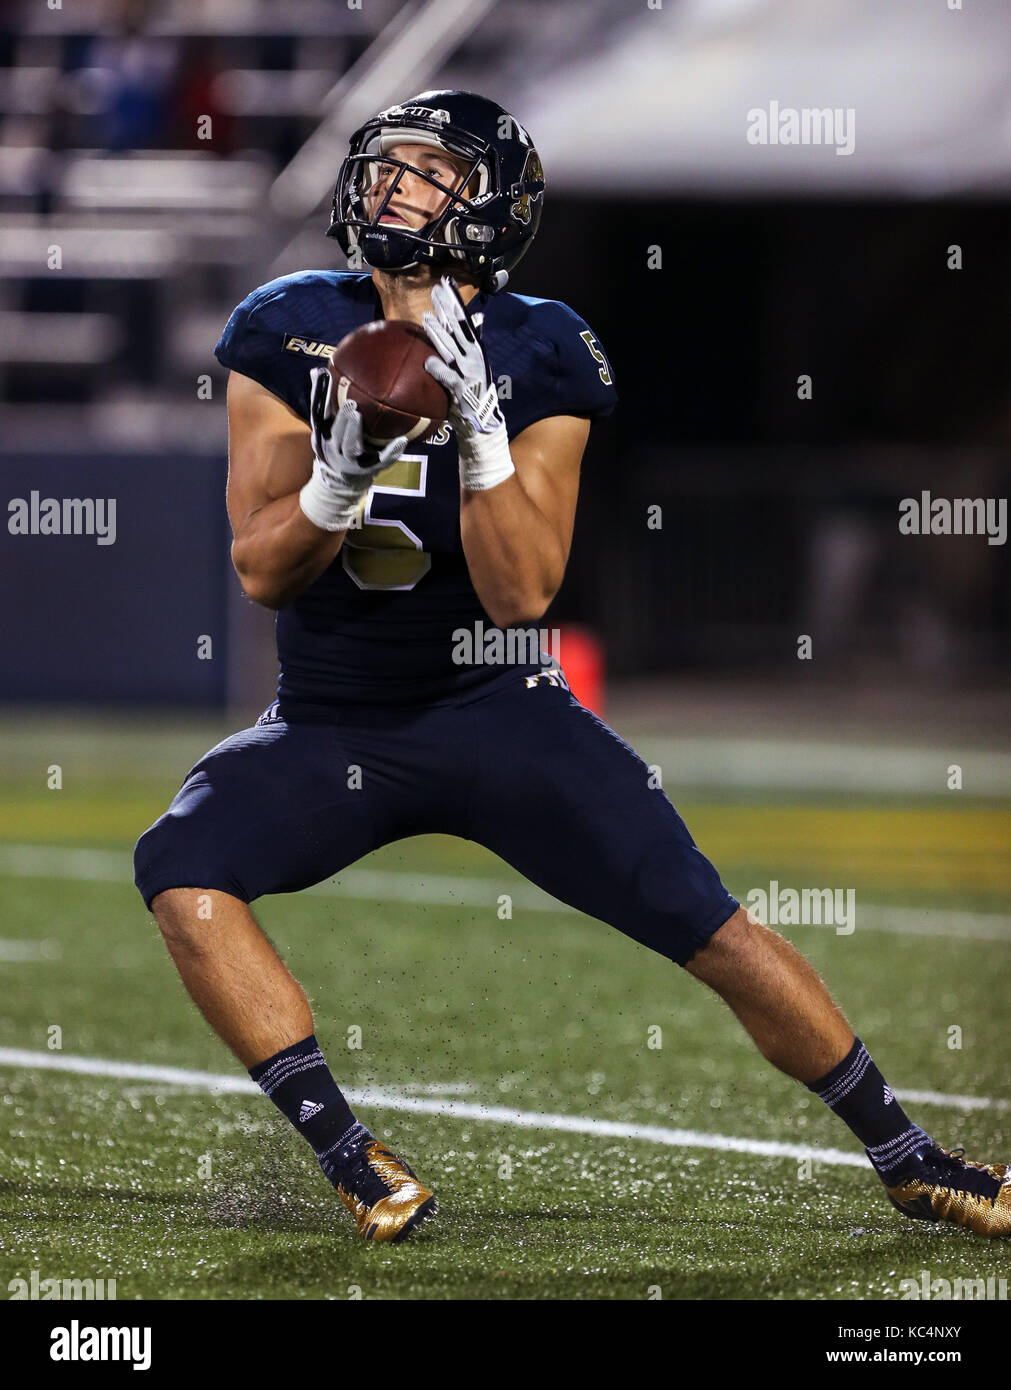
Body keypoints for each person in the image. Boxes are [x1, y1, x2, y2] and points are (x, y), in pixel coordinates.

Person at [134, 90, 1009, 1244]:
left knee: (715, 927)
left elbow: (522, 592)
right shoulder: (283, 323)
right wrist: (335, 480)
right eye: (385, 165)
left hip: (499, 709)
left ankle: (911, 1155)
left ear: (492, 208)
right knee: (180, 868)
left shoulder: (547, 346)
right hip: (331, 720)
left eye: (430, 172)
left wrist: (483, 433)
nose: (395, 186)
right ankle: (353, 1159)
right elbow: (262, 569)